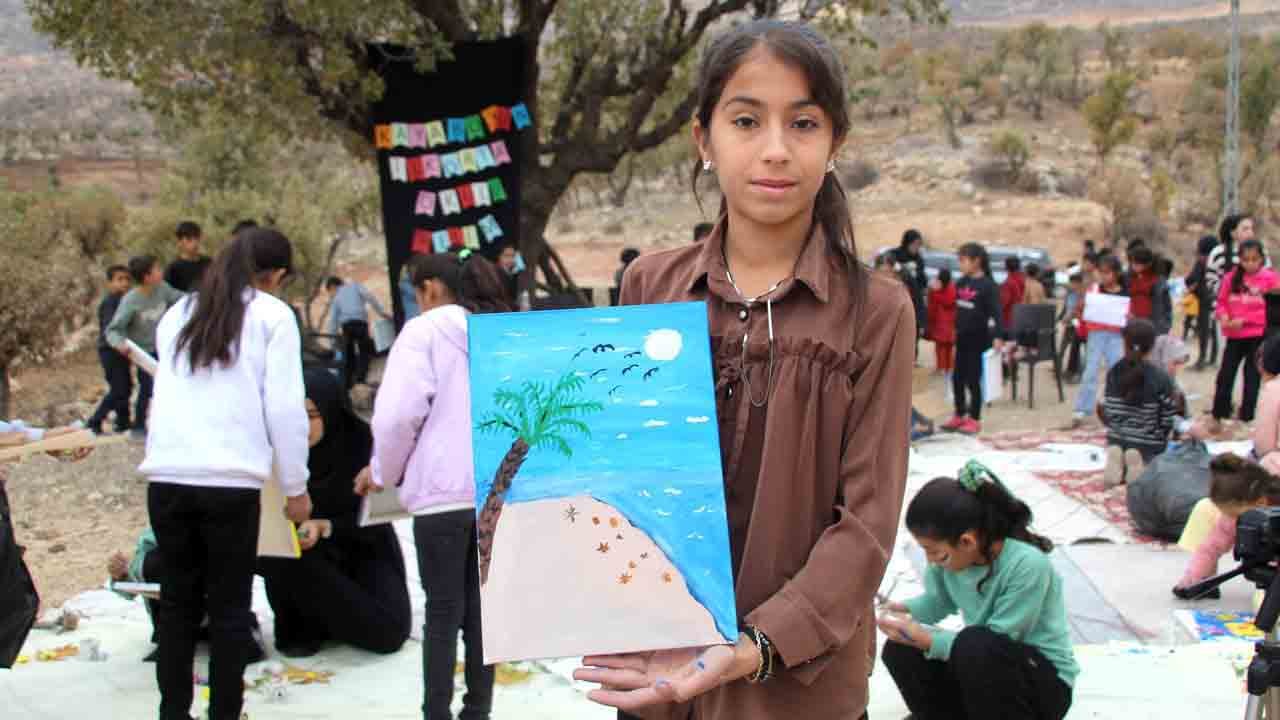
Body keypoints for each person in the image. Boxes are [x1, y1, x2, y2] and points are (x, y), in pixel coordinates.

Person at [571, 19, 912, 720]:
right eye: (747, 120)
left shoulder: (875, 311)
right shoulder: (650, 287)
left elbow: (868, 524)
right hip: (656, 678)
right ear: (704, 138)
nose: (776, 150)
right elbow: (621, 478)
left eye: (804, 122)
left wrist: (758, 643)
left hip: (798, 690)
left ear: (835, 142)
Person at [140, 228, 312, 720]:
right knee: (231, 608)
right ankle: (225, 713)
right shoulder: (273, 316)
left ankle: (173, 712)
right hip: (229, 484)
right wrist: (296, 487)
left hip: (168, 476)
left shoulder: (180, 313)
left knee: (178, 605)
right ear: (275, 274)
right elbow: (285, 410)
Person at [364, 251, 512, 720]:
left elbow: (396, 416)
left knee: (443, 612)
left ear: (428, 287)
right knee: (480, 613)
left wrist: (384, 472)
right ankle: (478, 709)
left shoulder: (423, 332)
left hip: (439, 498)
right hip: (493, 493)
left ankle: (436, 712)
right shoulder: (492, 330)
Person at [878, 463, 1077, 720]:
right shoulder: (949, 561)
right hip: (982, 668)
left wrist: (929, 640)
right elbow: (938, 602)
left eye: (934, 551)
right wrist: (901, 611)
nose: (930, 559)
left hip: (1041, 684)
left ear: (967, 541)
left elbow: (1001, 638)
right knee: (901, 649)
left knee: (976, 645)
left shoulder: (1027, 565)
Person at [258, 369, 411, 658]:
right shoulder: (272, 452)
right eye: (293, 417)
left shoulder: (362, 444)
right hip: (305, 564)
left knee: (390, 632)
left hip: (361, 547)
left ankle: (333, 619)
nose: (302, 427)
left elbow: (378, 519)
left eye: (312, 415)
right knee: (283, 559)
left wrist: (326, 526)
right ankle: (307, 624)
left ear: (331, 410)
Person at [1173, 453, 1280, 599]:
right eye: (1227, 514)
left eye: (1234, 514)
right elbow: (1210, 548)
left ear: (1260, 502)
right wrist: (1194, 579)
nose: (1230, 519)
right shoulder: (1231, 519)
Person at [104, 256, 185, 440]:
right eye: (157, 269)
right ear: (147, 276)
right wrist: (120, 344)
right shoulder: (130, 300)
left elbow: (181, 299)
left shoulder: (163, 289)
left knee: (170, 386)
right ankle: (139, 426)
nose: (161, 271)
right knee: (147, 387)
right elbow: (113, 330)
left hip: (164, 348)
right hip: (144, 352)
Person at [1098, 319, 1185, 487]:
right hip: (1149, 441)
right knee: (1150, 454)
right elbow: (1167, 415)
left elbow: (1108, 408)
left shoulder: (1114, 372)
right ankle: (1140, 464)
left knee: (1122, 443)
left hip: (1116, 436)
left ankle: (1118, 457)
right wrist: (1163, 434)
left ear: (1124, 343)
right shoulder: (1160, 377)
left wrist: (1116, 429)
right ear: (1152, 346)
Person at [1212, 239, 1278, 424]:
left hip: (1257, 335)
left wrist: (1247, 320)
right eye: (1245, 259)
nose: (1250, 263)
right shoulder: (1231, 278)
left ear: (1261, 259)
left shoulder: (1271, 279)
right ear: (1239, 260)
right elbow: (1221, 303)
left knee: (1252, 377)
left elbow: (1273, 311)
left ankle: (1247, 415)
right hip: (1234, 336)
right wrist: (1224, 317)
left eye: (1254, 259)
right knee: (1226, 374)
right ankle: (1220, 413)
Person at [942, 244, 1004, 436]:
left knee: (972, 379)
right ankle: (959, 414)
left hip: (979, 338)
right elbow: (955, 308)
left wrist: (999, 336)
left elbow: (997, 313)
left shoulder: (988, 286)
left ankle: (974, 418)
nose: (960, 264)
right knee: (957, 378)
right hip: (961, 337)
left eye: (963, 260)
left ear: (976, 261)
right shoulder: (961, 282)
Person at [1072, 254, 1128, 427]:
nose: (1104, 276)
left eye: (1107, 273)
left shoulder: (1125, 292)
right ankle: (1083, 407)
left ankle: (1116, 407)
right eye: (1101, 273)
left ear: (1116, 273)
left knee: (1117, 371)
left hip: (1117, 335)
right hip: (1096, 333)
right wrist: (1081, 309)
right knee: (1091, 370)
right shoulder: (1094, 290)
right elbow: (1081, 309)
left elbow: (1128, 314)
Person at [87, 265, 134, 435]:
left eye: (127, 279)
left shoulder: (127, 301)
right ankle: (94, 420)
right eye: (120, 279)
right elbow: (109, 329)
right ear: (110, 283)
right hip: (110, 350)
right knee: (119, 388)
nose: (125, 283)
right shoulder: (110, 303)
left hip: (123, 350)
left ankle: (123, 421)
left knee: (126, 386)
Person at [325, 276, 392, 390]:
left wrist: (332, 341)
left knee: (349, 355)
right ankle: (361, 380)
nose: (330, 295)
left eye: (329, 292)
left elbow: (333, 320)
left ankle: (348, 385)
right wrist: (381, 312)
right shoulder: (355, 286)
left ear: (332, 287)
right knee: (364, 351)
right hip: (360, 323)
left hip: (347, 326)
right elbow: (369, 296)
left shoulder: (336, 296)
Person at [891, 229, 929, 358]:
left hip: (914, 298)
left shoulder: (919, 259)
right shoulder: (895, 255)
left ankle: (912, 357)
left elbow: (922, 279)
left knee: (914, 327)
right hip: (896, 297)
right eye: (915, 244)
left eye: (919, 245)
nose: (916, 248)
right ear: (907, 242)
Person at [1186, 235, 1220, 369]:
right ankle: (1207, 359)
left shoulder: (1209, 263)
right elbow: (1191, 280)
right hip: (1209, 300)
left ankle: (1207, 359)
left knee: (1209, 331)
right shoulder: (1206, 263)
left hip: (1209, 301)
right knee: (1208, 331)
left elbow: (1191, 280)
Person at [1126, 246, 1171, 335]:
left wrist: (1164, 327)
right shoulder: (1128, 278)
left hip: (1151, 326)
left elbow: (1166, 307)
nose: (1133, 266)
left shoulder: (1158, 282)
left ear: (1147, 264)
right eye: (1132, 262)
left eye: (1137, 263)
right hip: (1130, 323)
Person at [163, 221, 211, 293]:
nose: (195, 243)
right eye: (189, 239)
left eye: (197, 238)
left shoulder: (209, 263)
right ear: (179, 242)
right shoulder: (173, 269)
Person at [927, 268, 957, 380]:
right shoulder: (953, 289)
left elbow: (932, 308)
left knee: (940, 347)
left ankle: (941, 368)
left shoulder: (935, 291)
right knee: (949, 347)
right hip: (951, 322)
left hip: (940, 321)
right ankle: (949, 368)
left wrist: (933, 292)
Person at [1059, 273, 1085, 383]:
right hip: (1069, 325)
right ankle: (1062, 370)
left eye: (1073, 283)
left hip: (1077, 325)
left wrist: (1069, 317)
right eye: (1070, 283)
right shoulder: (1069, 294)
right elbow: (1066, 308)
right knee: (1063, 347)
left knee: (1076, 350)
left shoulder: (1081, 295)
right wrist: (1061, 318)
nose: (1071, 285)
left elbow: (1076, 310)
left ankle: (1077, 373)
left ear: (1078, 283)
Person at [998, 256, 1026, 329]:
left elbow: (1004, 302)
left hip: (1009, 319)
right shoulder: (1024, 279)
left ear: (1006, 267)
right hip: (1023, 317)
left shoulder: (1008, 283)